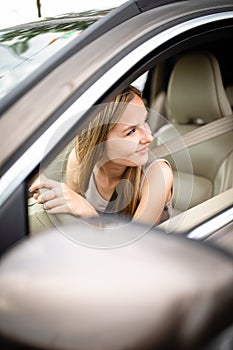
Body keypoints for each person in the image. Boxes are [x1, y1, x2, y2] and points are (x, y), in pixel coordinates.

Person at [29, 85, 173, 226]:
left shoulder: (158, 174)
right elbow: (72, 221)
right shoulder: (79, 160)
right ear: (99, 142)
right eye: (132, 131)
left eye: (145, 122)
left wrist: (89, 214)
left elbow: (134, 246)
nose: (149, 137)